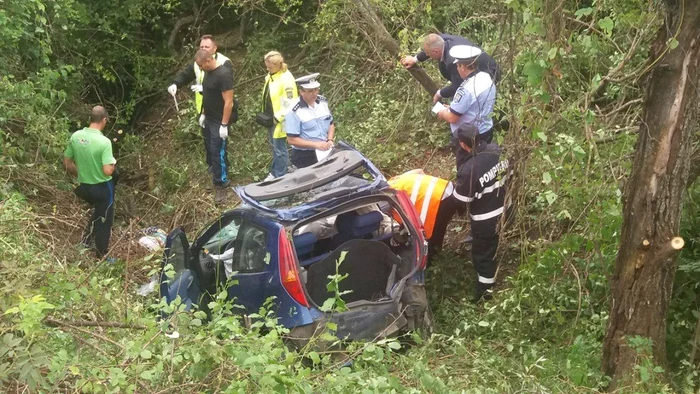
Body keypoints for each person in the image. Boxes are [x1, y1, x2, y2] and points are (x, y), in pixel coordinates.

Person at [451, 123, 509, 303]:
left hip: (486, 220)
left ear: (462, 144)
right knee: (491, 244)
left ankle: (485, 293)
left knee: (482, 256)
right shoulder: (497, 150)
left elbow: (461, 201)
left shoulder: (469, 170)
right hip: (506, 210)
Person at [168, 35, 236, 177]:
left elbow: (227, 92)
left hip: (220, 110)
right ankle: (212, 166)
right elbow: (187, 74)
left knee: (218, 144)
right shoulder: (199, 62)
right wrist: (175, 84)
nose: (203, 49)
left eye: (207, 47)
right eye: (201, 47)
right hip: (205, 108)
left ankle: (222, 172)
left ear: (214, 48)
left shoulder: (224, 63)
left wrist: (224, 123)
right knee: (208, 140)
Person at [63, 106, 117, 259]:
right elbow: (107, 171)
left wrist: (80, 173)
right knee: (105, 218)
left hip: (84, 187)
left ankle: (85, 242)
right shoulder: (104, 142)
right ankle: (101, 254)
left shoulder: (76, 136)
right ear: (104, 120)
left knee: (98, 211)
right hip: (102, 188)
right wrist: (113, 165)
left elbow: (67, 162)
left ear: (90, 119)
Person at [436, 45, 497, 165]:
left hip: (469, 137)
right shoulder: (486, 77)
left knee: (467, 167)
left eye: (458, 66)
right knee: (485, 164)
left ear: (462, 67)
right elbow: (475, 105)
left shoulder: (465, 89)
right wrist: (452, 109)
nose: (457, 70)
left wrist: (443, 112)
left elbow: (452, 117)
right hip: (486, 129)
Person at [401, 33, 500, 103]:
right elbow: (431, 48)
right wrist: (415, 59)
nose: (427, 55)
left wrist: (440, 93)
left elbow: (458, 85)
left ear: (436, 52)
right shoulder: (441, 40)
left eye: (428, 54)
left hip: (488, 71)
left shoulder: (454, 62)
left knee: (476, 101)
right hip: (476, 68)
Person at [387, 170, 459, 263]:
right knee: (435, 230)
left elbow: (408, 225)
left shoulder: (386, 202)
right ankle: (436, 258)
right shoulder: (394, 181)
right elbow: (420, 171)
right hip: (447, 187)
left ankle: (433, 262)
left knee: (432, 234)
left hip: (440, 200)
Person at [195, 48, 234, 205]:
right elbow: (208, 95)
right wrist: (203, 113)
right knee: (212, 150)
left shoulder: (223, 74)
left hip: (219, 120)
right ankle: (218, 177)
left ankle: (221, 183)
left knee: (218, 150)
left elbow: (229, 101)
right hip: (210, 118)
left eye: (201, 65)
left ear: (209, 60)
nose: (200, 68)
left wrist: (224, 124)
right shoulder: (208, 73)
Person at [284, 73, 335, 169]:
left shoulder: (323, 102)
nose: (315, 93)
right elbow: (291, 140)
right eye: (310, 91)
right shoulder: (294, 111)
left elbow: (331, 123)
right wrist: (316, 145)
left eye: (316, 89)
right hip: (304, 156)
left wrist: (330, 139)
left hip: (325, 150)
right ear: (301, 92)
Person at [260, 51, 298, 181]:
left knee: (280, 148)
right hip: (270, 118)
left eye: (269, 66)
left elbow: (291, 101)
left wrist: (279, 117)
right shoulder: (271, 76)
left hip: (280, 120)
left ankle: (280, 177)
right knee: (275, 146)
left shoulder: (286, 79)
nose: (267, 69)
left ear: (277, 65)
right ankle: (277, 171)